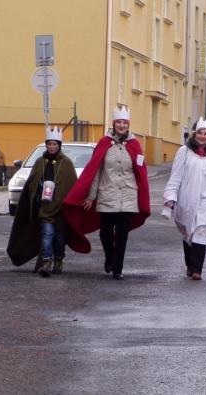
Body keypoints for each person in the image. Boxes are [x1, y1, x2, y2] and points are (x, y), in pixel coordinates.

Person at [62, 105, 150, 280]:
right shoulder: (104, 143)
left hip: (128, 196)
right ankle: (109, 257)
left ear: (128, 124)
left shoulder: (134, 145)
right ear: (114, 123)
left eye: (125, 122)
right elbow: (95, 171)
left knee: (122, 234)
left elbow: (141, 173)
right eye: (119, 122)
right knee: (105, 233)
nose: (122, 125)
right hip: (107, 194)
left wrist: (142, 198)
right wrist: (91, 196)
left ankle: (118, 269)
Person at [163, 116, 206, 280]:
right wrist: (170, 198)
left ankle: (198, 269)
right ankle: (190, 265)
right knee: (188, 234)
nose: (202, 136)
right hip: (186, 201)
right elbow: (176, 176)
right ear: (194, 134)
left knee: (201, 233)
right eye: (200, 133)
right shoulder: (184, 152)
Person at [7, 126, 78, 276]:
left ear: (59, 146)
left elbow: (72, 185)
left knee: (59, 239)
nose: (52, 147)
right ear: (46, 145)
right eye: (49, 144)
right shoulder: (40, 162)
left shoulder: (66, 163)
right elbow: (31, 184)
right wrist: (37, 193)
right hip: (44, 208)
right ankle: (46, 263)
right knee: (47, 236)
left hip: (60, 210)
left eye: (54, 144)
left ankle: (58, 260)